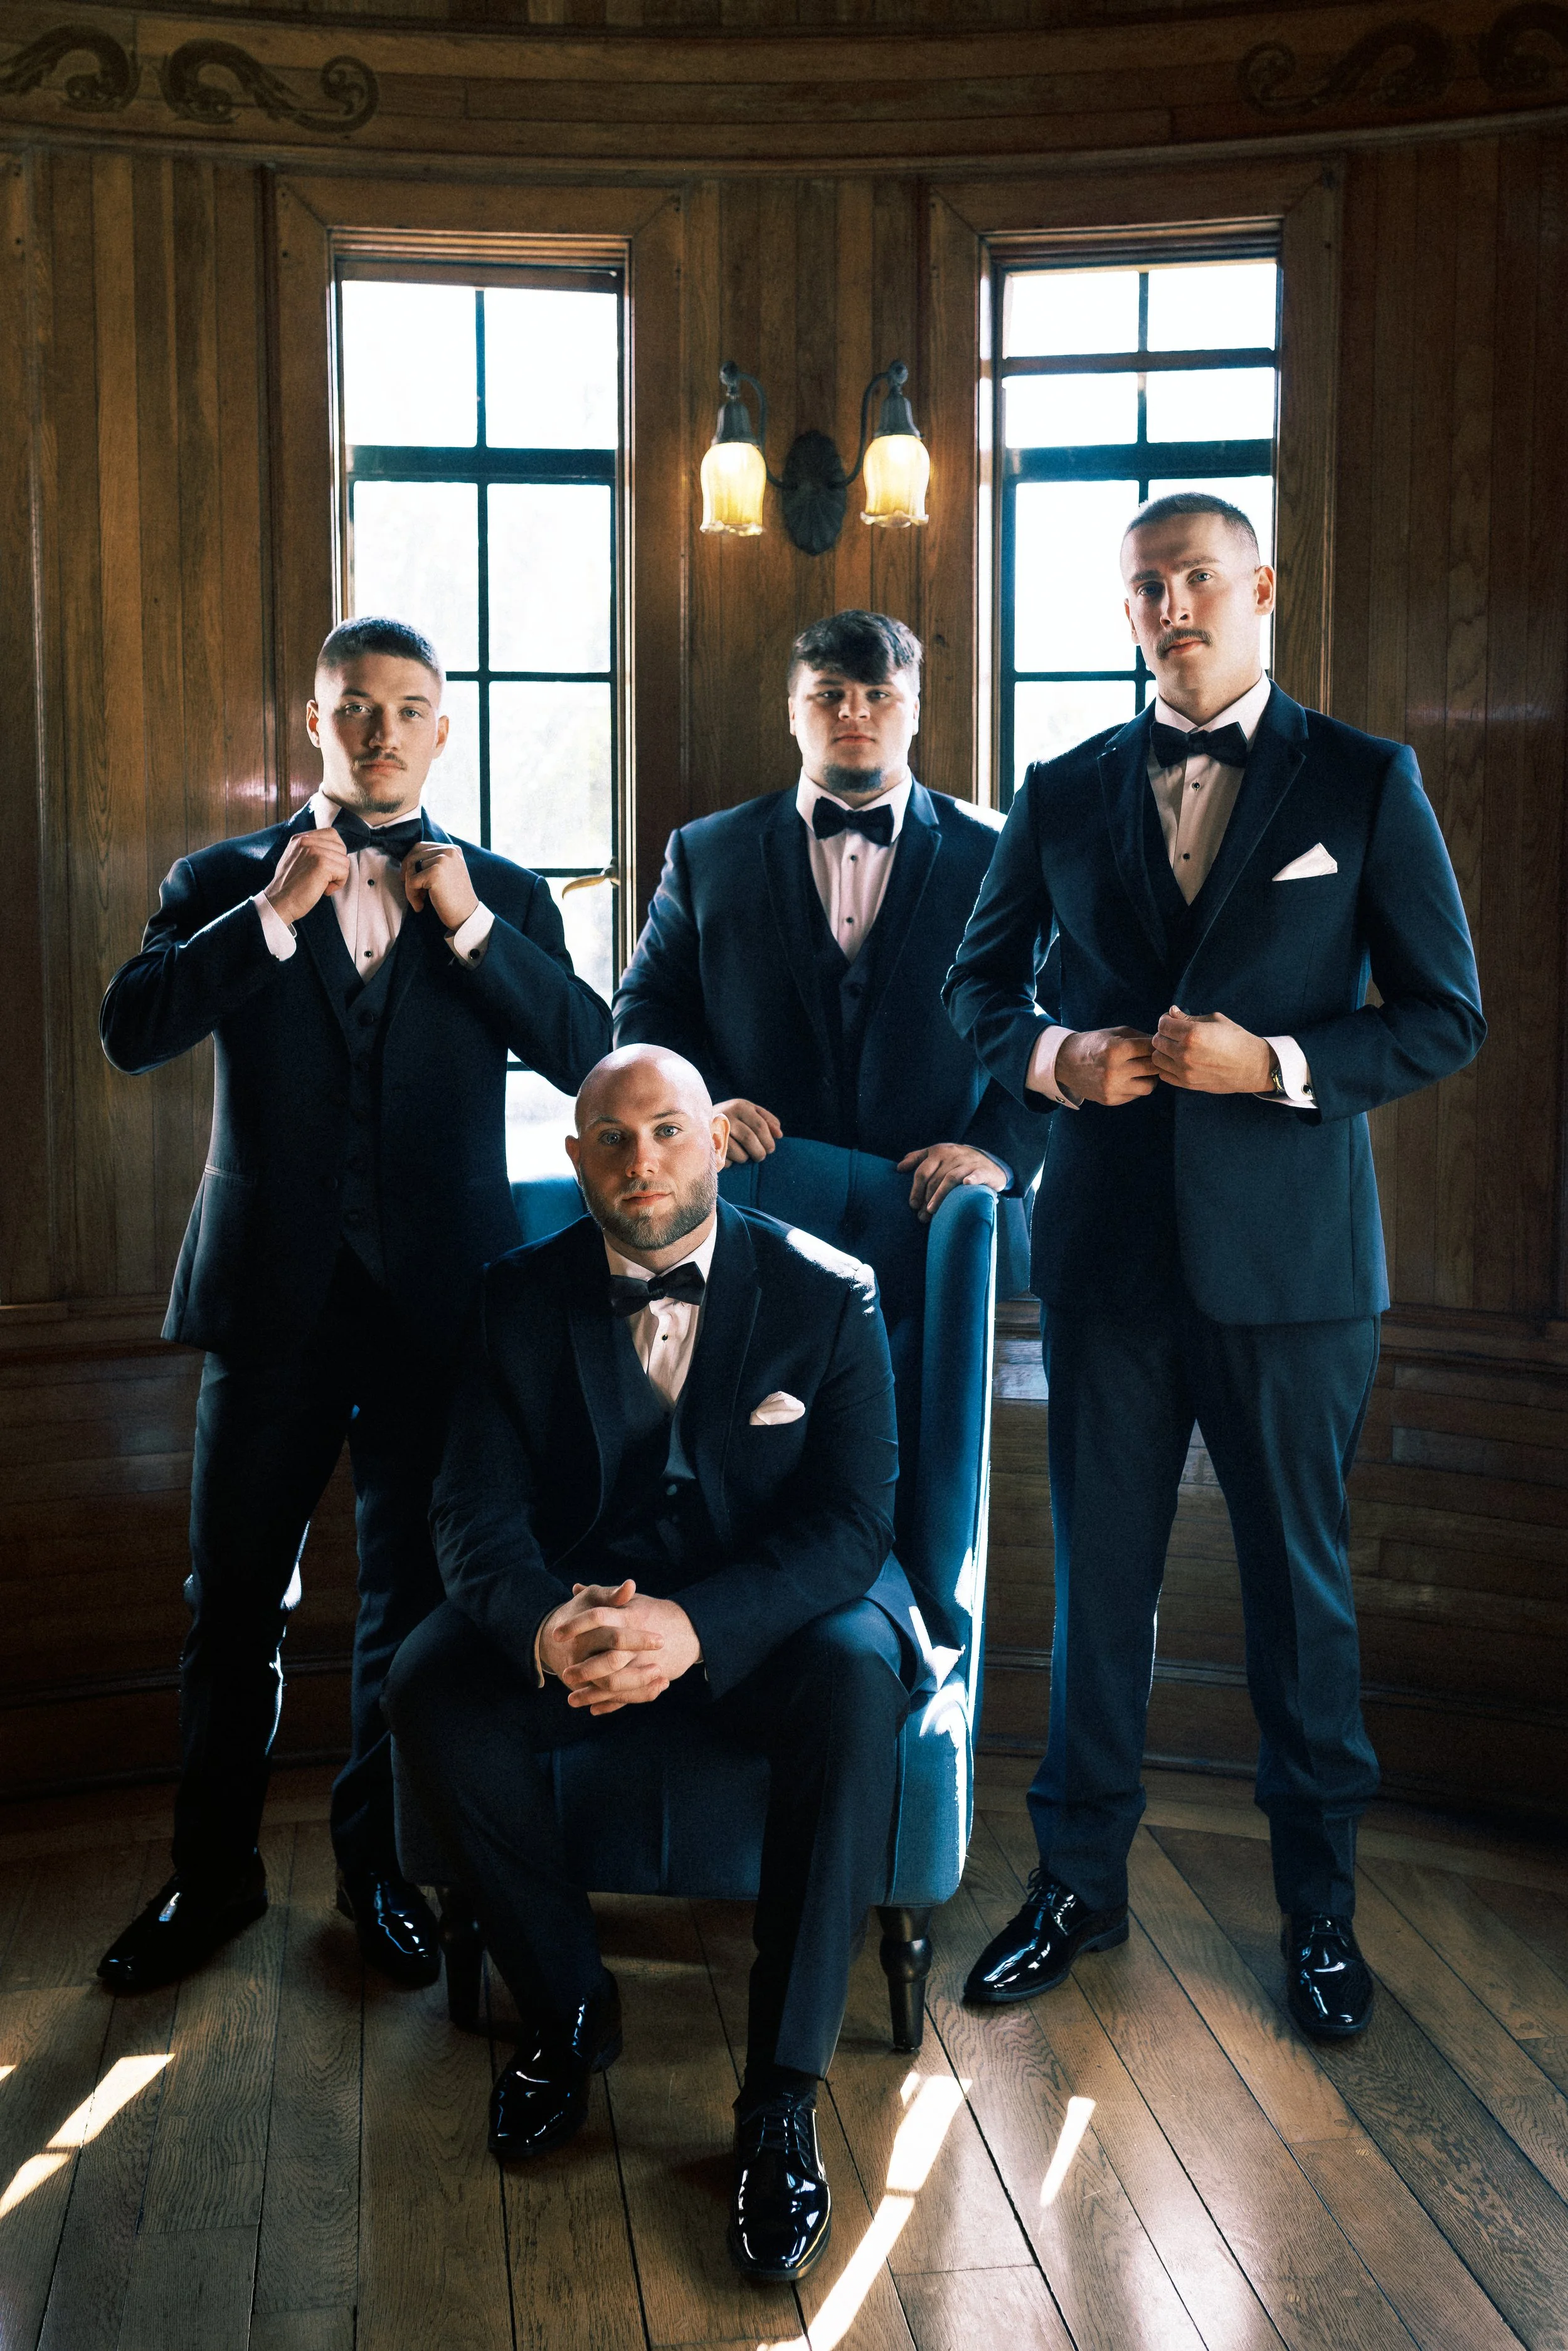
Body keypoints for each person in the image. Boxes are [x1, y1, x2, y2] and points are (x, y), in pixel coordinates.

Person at [944, 494, 1484, 2041]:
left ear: (1261, 590)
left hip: (1293, 1275)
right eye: (1144, 587)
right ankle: (1075, 1887)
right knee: (1097, 1589)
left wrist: (1279, 1065)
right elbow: (975, 987)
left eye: (1195, 577)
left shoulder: (1364, 779)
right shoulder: (1060, 788)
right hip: (1105, 1262)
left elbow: (1442, 1014)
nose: (1169, 605)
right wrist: (1056, 1058)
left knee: (1298, 1600)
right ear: (1126, 612)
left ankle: (1320, 1915)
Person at [96, 617, 612, 1996]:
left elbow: (590, 1055)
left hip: (442, 1315)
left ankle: (376, 1869)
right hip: (269, 1305)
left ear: (443, 729)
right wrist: (274, 914)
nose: (381, 731)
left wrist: (471, 926)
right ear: (315, 723)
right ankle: (210, 1875)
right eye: (355, 707)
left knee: (412, 1601)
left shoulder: (505, 892)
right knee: (232, 1600)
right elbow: (133, 1026)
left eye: (408, 708)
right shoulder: (221, 879)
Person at [383, 1044, 919, 2284]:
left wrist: (696, 1626)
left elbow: (852, 1525)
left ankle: (779, 2096)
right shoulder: (512, 1297)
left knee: (858, 1679)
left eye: (669, 1129)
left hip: (767, 1622)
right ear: (577, 1159)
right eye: (614, 1139)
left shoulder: (829, 1293)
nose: (643, 1160)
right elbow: (470, 1513)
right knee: (429, 1681)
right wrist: (547, 1624)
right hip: (585, 1611)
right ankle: (570, 2011)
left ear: (715, 1140)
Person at [613, 610, 1043, 1233]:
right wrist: (696, 1107)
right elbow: (645, 1007)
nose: (853, 712)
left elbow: (1057, 1015)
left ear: (915, 712)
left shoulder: (999, 852)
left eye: (879, 694)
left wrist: (996, 1151)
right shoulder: (705, 853)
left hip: (941, 1213)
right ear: (793, 712)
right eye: (829, 693)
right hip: (751, 1204)